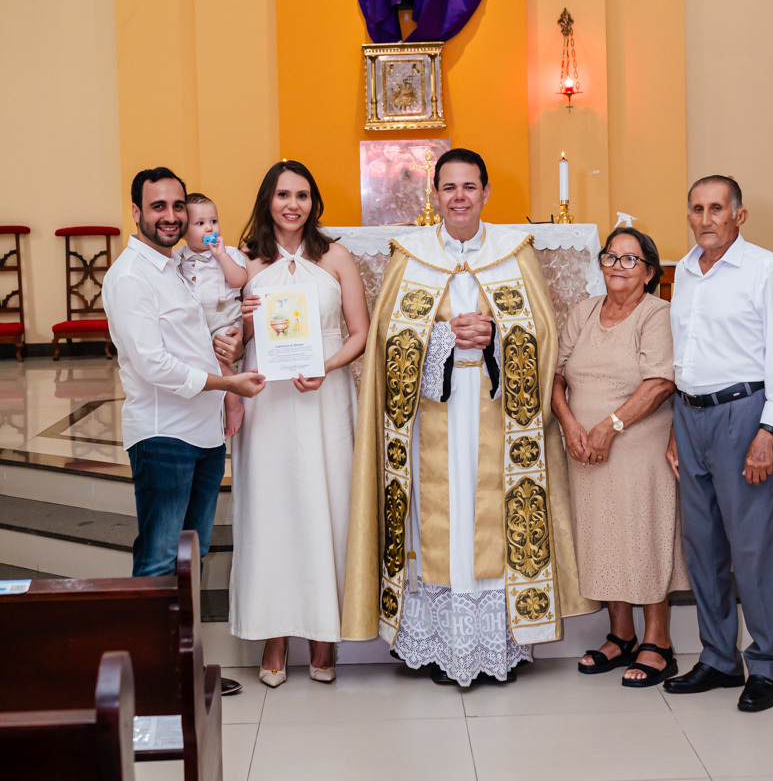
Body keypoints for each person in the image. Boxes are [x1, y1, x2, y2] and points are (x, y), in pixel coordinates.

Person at [343, 148, 594, 687]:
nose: (459, 197)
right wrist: (440, 339)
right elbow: (388, 338)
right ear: (435, 196)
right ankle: (437, 645)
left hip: (496, 413)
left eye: (469, 187)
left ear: (485, 193)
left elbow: (543, 335)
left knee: (489, 521)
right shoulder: (410, 257)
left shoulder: (513, 253)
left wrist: (498, 337)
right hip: (432, 415)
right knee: (437, 521)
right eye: (449, 188)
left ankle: (490, 645)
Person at [102, 166, 266, 697]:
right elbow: (153, 365)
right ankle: (150, 682)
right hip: (162, 434)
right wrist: (228, 383)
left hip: (202, 433)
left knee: (191, 557)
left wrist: (234, 336)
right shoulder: (131, 277)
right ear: (136, 212)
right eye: (158, 207)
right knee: (156, 557)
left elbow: (200, 334)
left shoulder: (176, 266)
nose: (171, 217)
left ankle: (183, 673)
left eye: (177, 206)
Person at [664, 175, 773, 713]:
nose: (705, 218)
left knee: (753, 547)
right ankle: (719, 658)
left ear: (738, 216)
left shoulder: (763, 269)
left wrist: (767, 431)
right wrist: (677, 427)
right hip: (690, 416)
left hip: (742, 416)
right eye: (696, 208)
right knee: (703, 546)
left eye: (716, 208)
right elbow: (684, 352)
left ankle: (767, 665)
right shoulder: (685, 271)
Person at [228, 160, 369, 686]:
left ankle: (324, 635)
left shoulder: (336, 257)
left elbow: (359, 332)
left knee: (327, 506)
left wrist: (324, 366)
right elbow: (233, 337)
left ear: (314, 202)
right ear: (268, 200)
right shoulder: (245, 262)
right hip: (268, 402)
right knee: (271, 512)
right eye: (283, 194)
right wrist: (233, 333)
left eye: (303, 195)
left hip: (322, 398)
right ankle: (274, 633)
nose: (293, 204)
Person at [552, 226, 689, 687]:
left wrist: (610, 427)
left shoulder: (657, 314)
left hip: (638, 444)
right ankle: (621, 634)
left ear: (649, 272)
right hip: (584, 447)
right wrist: (571, 424)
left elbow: (659, 382)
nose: (618, 266)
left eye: (630, 260)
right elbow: (555, 374)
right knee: (602, 537)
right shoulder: (585, 310)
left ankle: (658, 642)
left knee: (641, 534)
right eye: (611, 257)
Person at [177, 192, 248, 437]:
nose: (209, 227)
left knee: (219, 361)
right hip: (197, 320)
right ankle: (204, 414)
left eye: (213, 221)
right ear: (184, 231)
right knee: (198, 364)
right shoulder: (178, 259)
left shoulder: (228, 253)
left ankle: (234, 405)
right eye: (200, 223)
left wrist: (222, 257)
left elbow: (239, 280)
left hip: (224, 316)